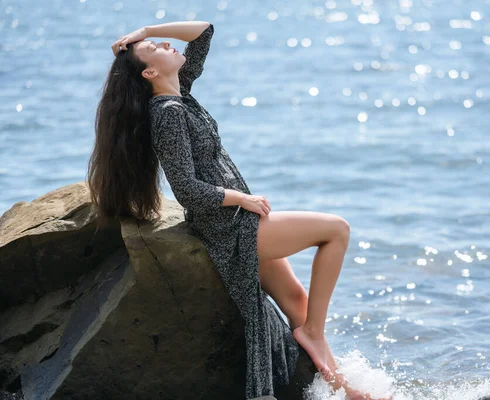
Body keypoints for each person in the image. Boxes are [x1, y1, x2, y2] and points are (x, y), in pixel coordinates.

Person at [87, 19, 385, 400]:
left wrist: (143, 32)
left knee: (297, 300)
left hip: (237, 219)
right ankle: (314, 338)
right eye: (157, 48)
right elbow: (187, 190)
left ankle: (343, 388)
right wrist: (240, 198)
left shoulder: (182, 93)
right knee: (337, 230)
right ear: (150, 72)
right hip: (230, 227)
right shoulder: (167, 114)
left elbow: (204, 31)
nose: (165, 44)